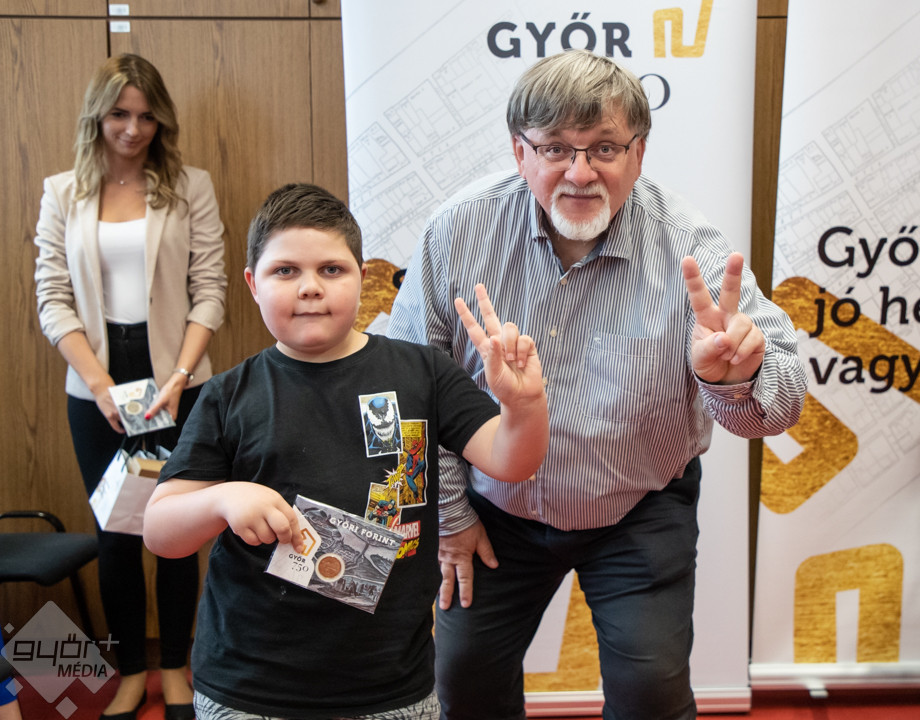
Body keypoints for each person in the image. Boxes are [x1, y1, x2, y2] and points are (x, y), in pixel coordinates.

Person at [388, 49, 808, 719]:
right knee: (461, 680)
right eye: (555, 148)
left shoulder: (692, 247)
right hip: (492, 509)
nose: (580, 173)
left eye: (605, 148)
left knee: (651, 693)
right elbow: (402, 393)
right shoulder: (455, 233)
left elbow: (778, 411)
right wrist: (450, 518)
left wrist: (738, 380)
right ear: (519, 152)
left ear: (639, 154)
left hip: (639, 506)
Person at [143, 183, 549, 720]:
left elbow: (512, 462)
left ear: (361, 275)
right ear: (253, 284)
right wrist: (223, 499)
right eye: (285, 271)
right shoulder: (229, 395)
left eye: (331, 269)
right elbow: (161, 531)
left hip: (392, 687)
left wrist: (525, 406)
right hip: (249, 686)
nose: (310, 287)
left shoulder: (422, 372)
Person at [33, 53, 226, 720]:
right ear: (97, 115)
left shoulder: (190, 186)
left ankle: (175, 667)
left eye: (146, 116)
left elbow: (210, 291)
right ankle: (129, 673)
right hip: (98, 382)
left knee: (174, 527)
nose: (134, 129)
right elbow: (52, 299)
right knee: (115, 533)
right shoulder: (62, 193)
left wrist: (178, 377)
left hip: (177, 377)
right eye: (120, 113)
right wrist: (100, 385)